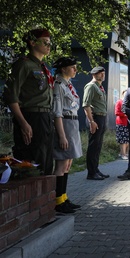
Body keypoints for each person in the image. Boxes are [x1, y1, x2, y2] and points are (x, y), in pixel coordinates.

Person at [3, 28, 54, 175]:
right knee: (33, 163)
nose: (48, 46)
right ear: (32, 43)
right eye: (45, 42)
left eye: (49, 43)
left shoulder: (42, 67)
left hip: (45, 117)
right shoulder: (23, 65)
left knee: (46, 162)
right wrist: (23, 123)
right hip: (31, 117)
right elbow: (11, 96)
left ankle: (48, 197)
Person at [51, 57, 83, 213]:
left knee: (68, 164)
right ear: (63, 69)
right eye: (73, 67)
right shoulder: (58, 85)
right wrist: (62, 136)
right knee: (61, 164)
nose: (75, 70)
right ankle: (57, 201)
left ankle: (64, 197)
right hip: (64, 124)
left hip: (73, 123)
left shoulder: (68, 84)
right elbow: (57, 112)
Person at [83, 66, 109, 180]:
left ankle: (96, 169)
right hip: (95, 117)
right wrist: (91, 121)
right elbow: (86, 105)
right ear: (94, 74)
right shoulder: (91, 86)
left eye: (103, 73)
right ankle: (91, 173)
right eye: (100, 73)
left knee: (98, 146)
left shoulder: (100, 87)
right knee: (93, 146)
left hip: (101, 117)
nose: (103, 75)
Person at [115, 90, 129, 160]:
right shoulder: (119, 102)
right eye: (125, 94)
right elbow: (117, 112)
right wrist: (126, 115)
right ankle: (123, 154)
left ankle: (125, 153)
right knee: (123, 140)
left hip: (129, 123)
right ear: (123, 94)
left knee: (128, 140)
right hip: (121, 123)